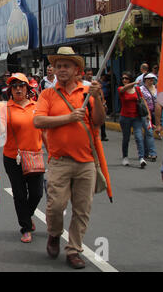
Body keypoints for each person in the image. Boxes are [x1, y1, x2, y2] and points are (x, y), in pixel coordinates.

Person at [33, 46, 106, 269]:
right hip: (59, 161)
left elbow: (99, 121)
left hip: (86, 163)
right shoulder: (48, 94)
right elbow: (38, 121)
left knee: (82, 210)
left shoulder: (87, 92)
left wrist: (98, 97)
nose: (61, 70)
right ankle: (54, 234)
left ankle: (74, 250)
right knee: (55, 207)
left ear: (77, 70)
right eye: (58, 66)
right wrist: (69, 118)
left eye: (66, 66)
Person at [3, 73, 45, 244]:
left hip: (35, 156)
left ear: (28, 88)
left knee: (37, 193)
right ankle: (26, 227)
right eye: (14, 86)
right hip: (13, 158)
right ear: (10, 90)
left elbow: (46, 131)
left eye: (21, 85)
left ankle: (27, 216)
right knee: (20, 195)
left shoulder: (39, 106)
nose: (18, 89)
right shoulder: (4, 109)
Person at [118, 71, 150, 168]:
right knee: (126, 138)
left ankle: (141, 158)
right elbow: (123, 89)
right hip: (125, 117)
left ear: (130, 79)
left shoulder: (137, 89)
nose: (124, 80)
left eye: (126, 78)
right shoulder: (120, 89)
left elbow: (142, 100)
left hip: (136, 117)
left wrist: (148, 113)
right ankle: (125, 157)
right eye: (123, 78)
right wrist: (134, 83)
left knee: (139, 137)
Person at [140, 73, 158, 161]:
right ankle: (152, 153)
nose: (151, 80)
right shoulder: (141, 89)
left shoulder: (156, 88)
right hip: (145, 113)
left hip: (155, 112)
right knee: (149, 132)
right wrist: (147, 113)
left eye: (152, 79)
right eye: (149, 79)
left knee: (147, 133)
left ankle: (145, 152)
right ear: (145, 80)